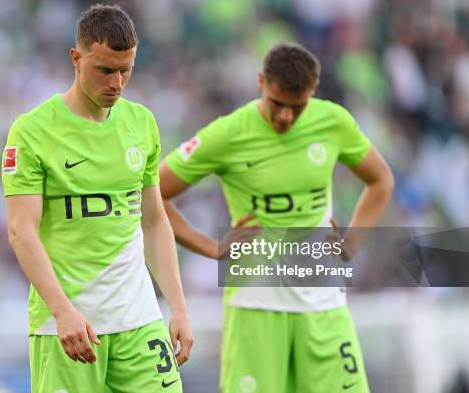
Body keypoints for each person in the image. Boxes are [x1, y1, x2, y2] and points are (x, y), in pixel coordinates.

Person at [160, 43, 394, 393]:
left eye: (297, 108)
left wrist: (351, 244)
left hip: (322, 301)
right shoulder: (229, 133)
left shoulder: (333, 121)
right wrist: (210, 248)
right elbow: (154, 192)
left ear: (312, 93)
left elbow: (381, 180)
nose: (285, 116)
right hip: (255, 304)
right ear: (261, 83)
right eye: (277, 104)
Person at [2, 4, 192, 393]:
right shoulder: (32, 132)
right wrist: (62, 313)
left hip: (139, 319)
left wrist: (178, 306)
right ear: (76, 58)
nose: (117, 83)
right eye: (105, 70)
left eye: (126, 70)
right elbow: (22, 231)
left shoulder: (142, 123)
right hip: (70, 326)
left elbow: (154, 221)